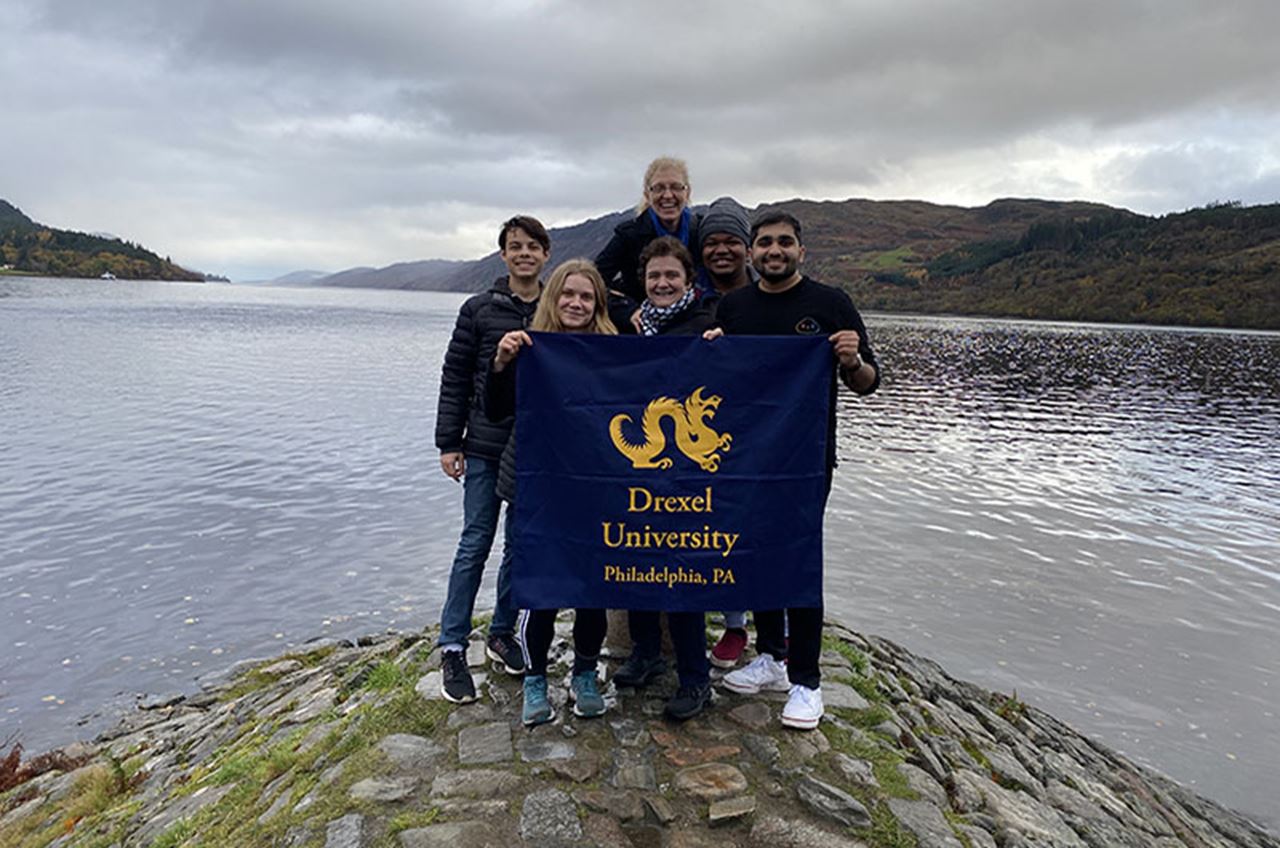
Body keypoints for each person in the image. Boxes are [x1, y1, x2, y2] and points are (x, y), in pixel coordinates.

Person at [708, 210, 880, 730]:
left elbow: (869, 383)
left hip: (805, 461)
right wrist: (710, 354)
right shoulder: (734, 306)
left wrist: (850, 360)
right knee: (756, 554)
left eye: (784, 242)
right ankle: (772, 657)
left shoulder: (830, 305)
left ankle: (807, 682)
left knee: (800, 561)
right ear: (752, 253)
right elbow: (721, 385)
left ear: (801, 251)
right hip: (745, 459)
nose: (774, 251)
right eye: (764, 243)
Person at [485, 259, 619, 726]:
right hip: (533, 485)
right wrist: (501, 362)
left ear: (598, 304)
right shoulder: (526, 346)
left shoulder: (614, 352)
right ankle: (536, 678)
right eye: (568, 294)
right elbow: (497, 409)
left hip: (593, 490)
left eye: (586, 296)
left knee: (592, 588)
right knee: (538, 587)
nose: (576, 303)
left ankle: (584, 674)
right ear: (552, 298)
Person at [433, 216, 550, 703]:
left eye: (532, 247)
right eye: (515, 247)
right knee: (475, 541)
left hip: (535, 447)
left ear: (546, 254)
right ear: (503, 255)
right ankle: (454, 645)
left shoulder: (555, 306)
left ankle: (503, 632)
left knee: (519, 546)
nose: (524, 254)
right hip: (483, 444)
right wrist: (448, 442)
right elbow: (455, 375)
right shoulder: (478, 309)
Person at [611, 237, 715, 720]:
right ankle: (646, 653)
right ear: (643, 282)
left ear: (688, 279)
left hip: (690, 473)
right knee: (637, 555)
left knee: (684, 566)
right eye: (654, 276)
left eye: (671, 275)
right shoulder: (630, 328)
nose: (663, 283)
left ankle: (696, 677)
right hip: (642, 465)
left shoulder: (708, 321)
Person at [691, 196, 757, 669]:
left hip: (756, 432)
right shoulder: (689, 298)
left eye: (731, 241)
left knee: (755, 530)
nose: (720, 250)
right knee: (705, 530)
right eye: (711, 242)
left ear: (747, 248)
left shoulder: (764, 297)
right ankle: (731, 623)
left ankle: (761, 631)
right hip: (700, 437)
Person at [596, 157, 702, 327]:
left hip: (693, 327)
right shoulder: (628, 236)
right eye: (659, 188)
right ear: (647, 194)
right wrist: (627, 311)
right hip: (641, 329)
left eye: (676, 187)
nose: (668, 195)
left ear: (687, 193)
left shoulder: (700, 232)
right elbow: (593, 281)